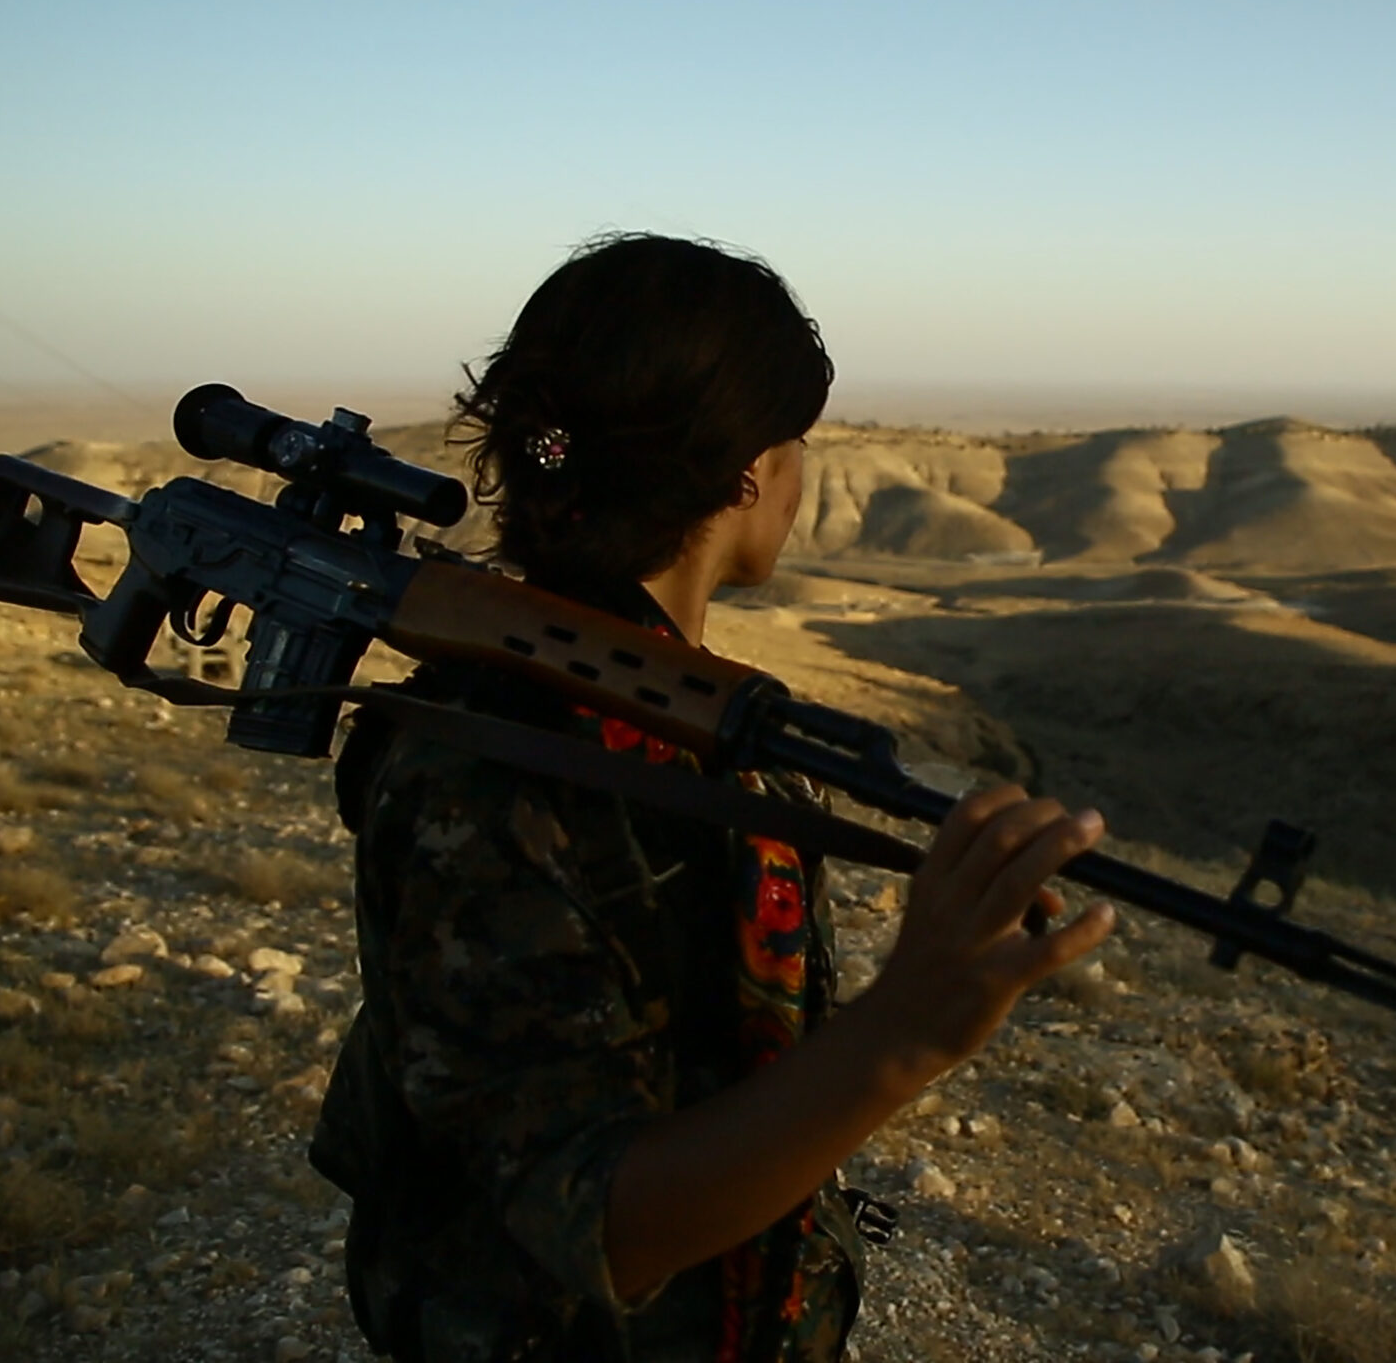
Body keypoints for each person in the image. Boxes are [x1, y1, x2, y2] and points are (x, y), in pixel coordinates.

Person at [310, 233, 1114, 1363]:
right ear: (749, 472)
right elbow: (599, 1223)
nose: (799, 476)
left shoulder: (677, 716)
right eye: (795, 446)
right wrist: (905, 1029)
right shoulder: (497, 765)